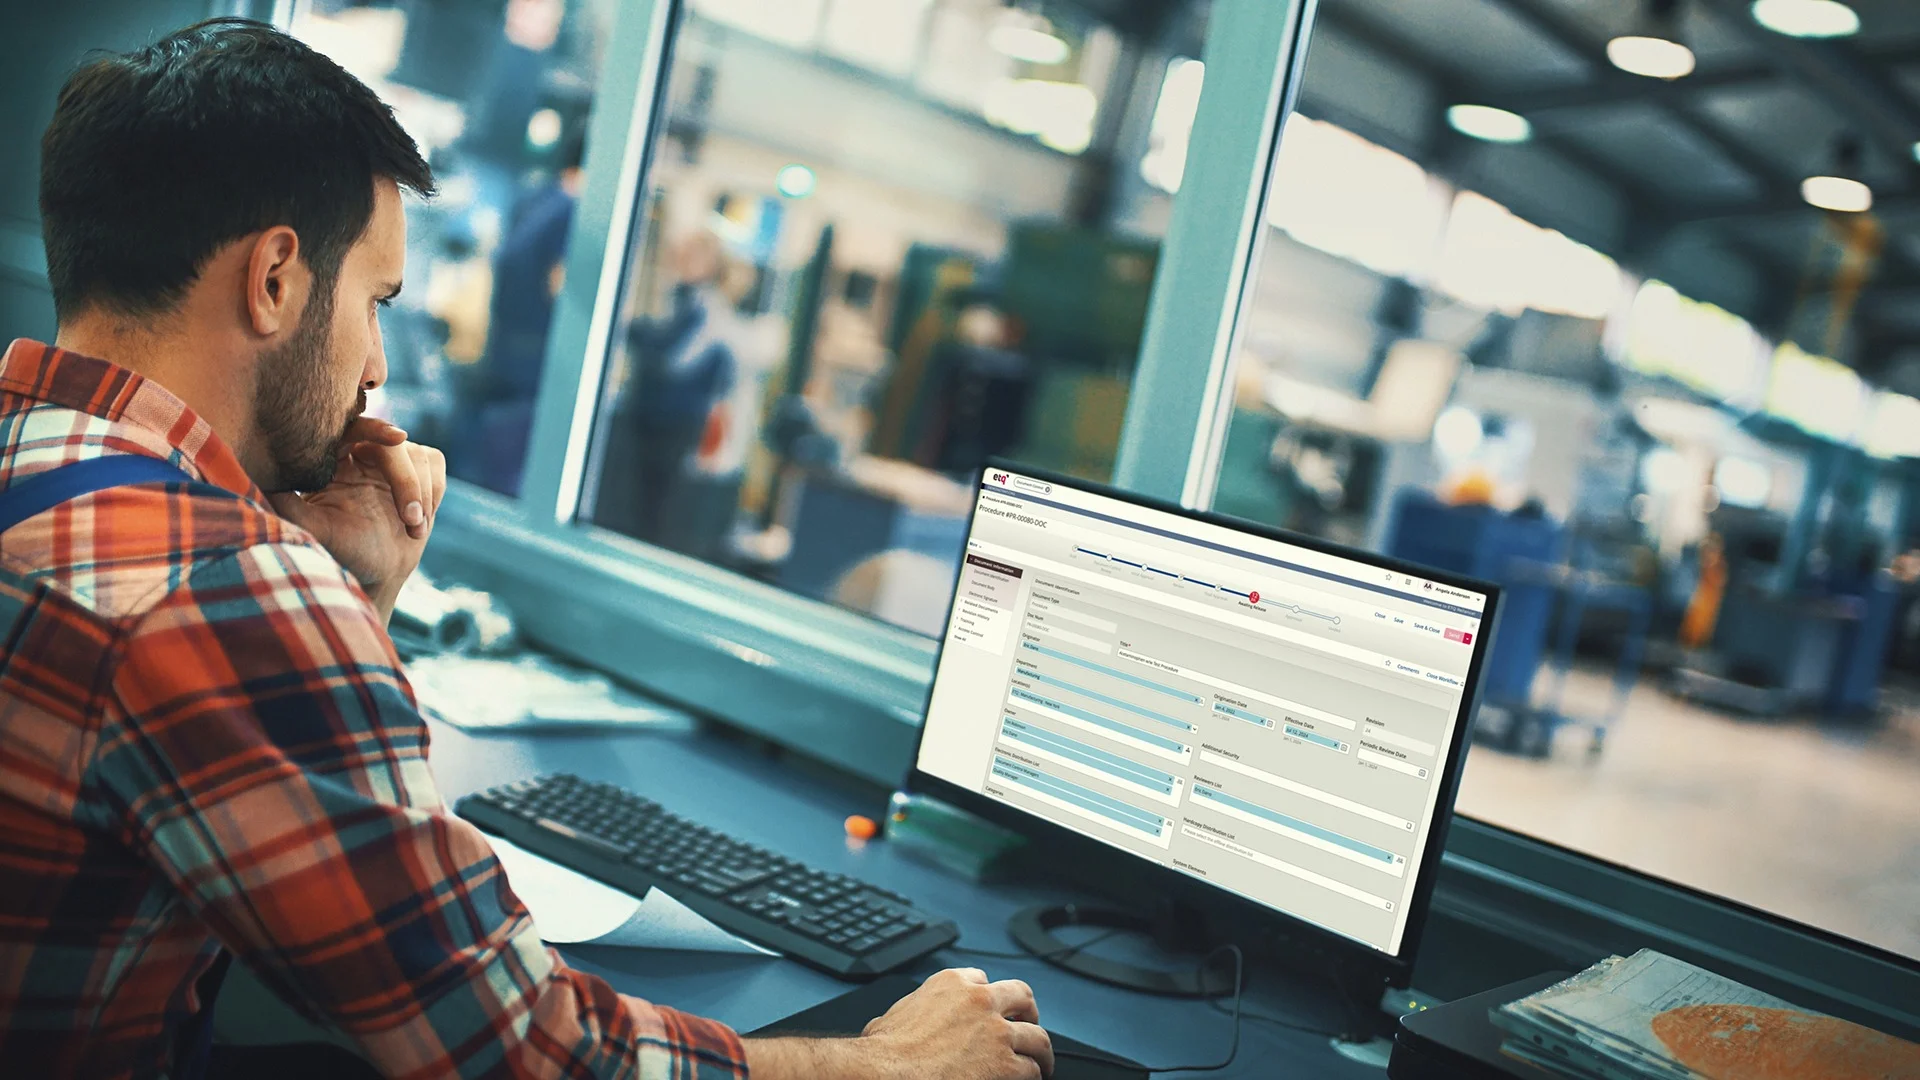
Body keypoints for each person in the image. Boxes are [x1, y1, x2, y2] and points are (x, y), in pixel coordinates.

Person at [0, 19, 1053, 1080]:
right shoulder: (221, 587)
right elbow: (528, 1053)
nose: (374, 367)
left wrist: (352, 596)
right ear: (274, 278)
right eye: (375, 303)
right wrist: (888, 1065)